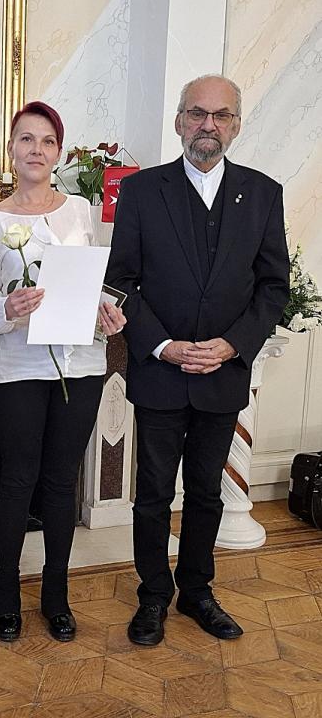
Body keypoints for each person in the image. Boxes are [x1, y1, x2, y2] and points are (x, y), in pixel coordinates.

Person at [106, 75, 289, 646]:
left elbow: (273, 288)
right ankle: (153, 595)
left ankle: (197, 591)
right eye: (197, 113)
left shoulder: (264, 193)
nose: (208, 125)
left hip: (223, 373)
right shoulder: (141, 192)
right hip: (160, 372)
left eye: (221, 115)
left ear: (236, 125)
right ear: (179, 121)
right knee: (153, 493)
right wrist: (162, 345)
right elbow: (121, 281)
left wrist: (233, 344)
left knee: (208, 492)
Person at [0, 101, 127, 643]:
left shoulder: (81, 210)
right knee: (18, 479)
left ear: (58, 152)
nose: (36, 149)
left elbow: (95, 282)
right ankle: (6, 593)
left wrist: (109, 310)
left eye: (47, 141)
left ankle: (56, 594)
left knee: (63, 481)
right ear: (10, 150)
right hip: (18, 365)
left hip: (80, 363)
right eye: (26, 139)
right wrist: (7, 309)